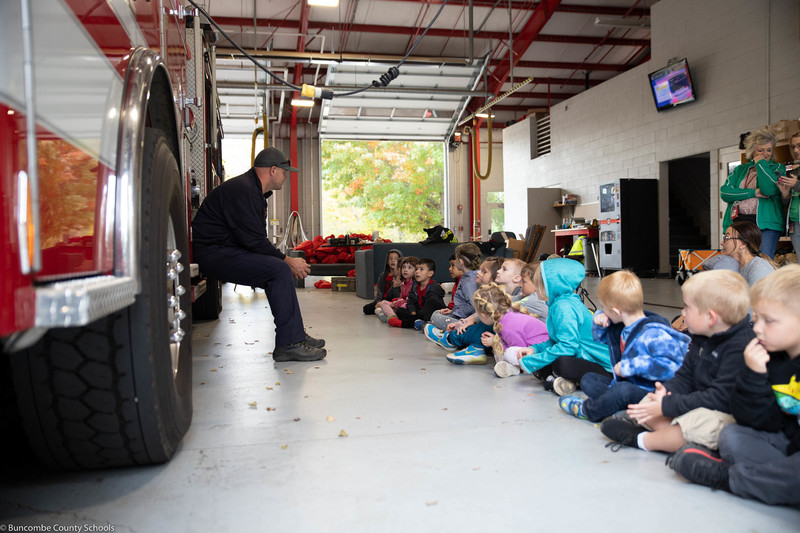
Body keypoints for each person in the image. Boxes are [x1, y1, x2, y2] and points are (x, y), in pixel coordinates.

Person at [667, 266, 800, 507]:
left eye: (768, 321)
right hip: (788, 447)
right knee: (731, 435)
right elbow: (756, 420)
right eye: (757, 318)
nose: (757, 328)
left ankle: (729, 477)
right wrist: (754, 375)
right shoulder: (770, 356)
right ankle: (772, 480)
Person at [191, 147, 325, 362]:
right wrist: (288, 260)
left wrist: (284, 261)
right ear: (273, 170)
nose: (285, 177)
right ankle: (289, 344)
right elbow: (254, 242)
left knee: (279, 270)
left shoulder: (250, 189)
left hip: (225, 250)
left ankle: (295, 336)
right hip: (213, 254)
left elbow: (252, 240)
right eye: (284, 172)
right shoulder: (245, 191)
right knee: (279, 270)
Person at [600, 270, 754, 453]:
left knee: (701, 423)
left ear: (710, 318)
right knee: (647, 404)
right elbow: (684, 376)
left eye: (687, 307)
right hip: (696, 403)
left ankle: (642, 440)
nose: (682, 312)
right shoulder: (702, 337)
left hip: (723, 412)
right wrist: (665, 393)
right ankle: (678, 440)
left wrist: (666, 405)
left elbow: (717, 399)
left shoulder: (739, 347)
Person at [559, 270, 689, 421]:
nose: (602, 311)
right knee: (588, 380)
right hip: (625, 383)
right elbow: (599, 339)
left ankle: (587, 410)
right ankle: (616, 406)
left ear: (615, 311)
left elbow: (669, 367)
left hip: (651, 392)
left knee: (622, 391)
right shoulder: (622, 326)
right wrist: (599, 322)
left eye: (603, 307)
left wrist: (630, 366)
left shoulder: (654, 333)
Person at [516, 258, 612, 396]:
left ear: (554, 285)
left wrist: (533, 362)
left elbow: (568, 347)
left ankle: (557, 378)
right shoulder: (558, 303)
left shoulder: (563, 308)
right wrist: (534, 349)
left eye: (540, 284)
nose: (536, 288)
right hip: (583, 358)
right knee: (551, 359)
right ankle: (562, 380)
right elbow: (556, 341)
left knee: (561, 363)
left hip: (603, 367)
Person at [424, 257, 520, 365]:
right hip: (489, 332)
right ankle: (473, 347)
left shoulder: (515, 296)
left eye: (504, 269)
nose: (499, 271)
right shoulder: (503, 293)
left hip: (502, 337)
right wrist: (465, 321)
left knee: (485, 325)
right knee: (480, 323)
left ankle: (451, 339)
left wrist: (467, 321)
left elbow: (480, 312)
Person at [720, 128, 786, 259]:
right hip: (739, 222)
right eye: (760, 150)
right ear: (752, 150)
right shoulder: (740, 169)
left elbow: (769, 189)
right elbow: (725, 193)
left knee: (763, 261)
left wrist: (761, 163)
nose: (765, 154)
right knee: (735, 260)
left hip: (766, 224)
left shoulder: (778, 168)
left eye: (769, 150)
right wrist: (753, 192)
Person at [428, 243, 482, 330]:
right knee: (438, 313)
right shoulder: (468, 276)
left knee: (436, 317)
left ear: (460, 262)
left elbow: (473, 306)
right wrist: (452, 311)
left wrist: (456, 313)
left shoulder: (469, 281)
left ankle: (460, 329)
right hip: (460, 314)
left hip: (464, 317)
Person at [388, 258, 445, 329]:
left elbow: (429, 308)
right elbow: (410, 301)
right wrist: (413, 312)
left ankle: (403, 323)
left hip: (432, 314)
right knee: (400, 311)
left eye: (421, 269)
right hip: (418, 313)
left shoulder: (434, 287)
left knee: (427, 308)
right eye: (416, 269)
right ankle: (417, 321)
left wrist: (416, 315)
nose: (417, 272)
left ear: (430, 273)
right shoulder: (415, 285)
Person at [719, 221, 775, 286]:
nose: (722, 243)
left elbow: (758, 296)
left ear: (743, 244)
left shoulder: (760, 268)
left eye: (727, 238)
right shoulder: (732, 267)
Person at [778, 131, 800, 257]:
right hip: (795, 223)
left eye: (799, 145)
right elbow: (788, 202)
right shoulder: (795, 172)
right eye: (793, 146)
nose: (796, 150)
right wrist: (785, 194)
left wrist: (796, 185)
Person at [377, 256, 418, 323]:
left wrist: (397, 303)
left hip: (409, 306)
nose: (405, 270)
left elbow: (410, 300)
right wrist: (395, 301)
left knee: (401, 307)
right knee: (383, 302)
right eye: (403, 267)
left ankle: (391, 317)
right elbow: (401, 297)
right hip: (401, 304)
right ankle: (393, 316)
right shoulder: (403, 284)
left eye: (409, 267)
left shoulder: (414, 284)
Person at [365, 249, 402, 315]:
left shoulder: (400, 277)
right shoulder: (383, 275)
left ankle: (384, 311)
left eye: (396, 259)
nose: (393, 260)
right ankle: (382, 310)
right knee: (366, 308)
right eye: (390, 259)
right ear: (387, 261)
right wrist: (378, 301)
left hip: (391, 301)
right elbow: (379, 291)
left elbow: (397, 294)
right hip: (382, 300)